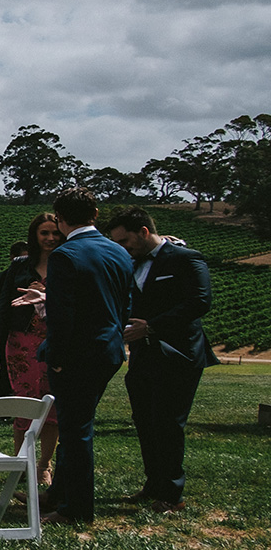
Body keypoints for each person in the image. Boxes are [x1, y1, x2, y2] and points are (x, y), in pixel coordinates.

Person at [105, 207, 218, 511]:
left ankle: (172, 494)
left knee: (168, 423)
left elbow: (200, 301)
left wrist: (152, 327)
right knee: (144, 420)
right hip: (143, 355)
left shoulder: (185, 258)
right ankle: (153, 484)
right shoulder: (130, 263)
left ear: (143, 232)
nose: (122, 247)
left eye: (125, 240)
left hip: (178, 354)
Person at [39, 187, 134, 527]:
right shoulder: (119, 252)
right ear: (95, 215)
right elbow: (124, 304)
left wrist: (59, 357)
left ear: (60, 219)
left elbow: (61, 315)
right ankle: (57, 493)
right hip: (108, 348)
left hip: (76, 355)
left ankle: (76, 509)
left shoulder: (65, 255)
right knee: (75, 424)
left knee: (76, 431)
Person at [0, 213, 63, 478]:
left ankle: (44, 464)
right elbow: (3, 305)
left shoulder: (66, 262)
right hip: (20, 342)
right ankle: (21, 462)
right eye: (44, 233)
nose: (50, 238)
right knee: (23, 402)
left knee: (50, 402)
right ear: (35, 236)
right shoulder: (20, 265)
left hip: (54, 341)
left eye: (55, 233)